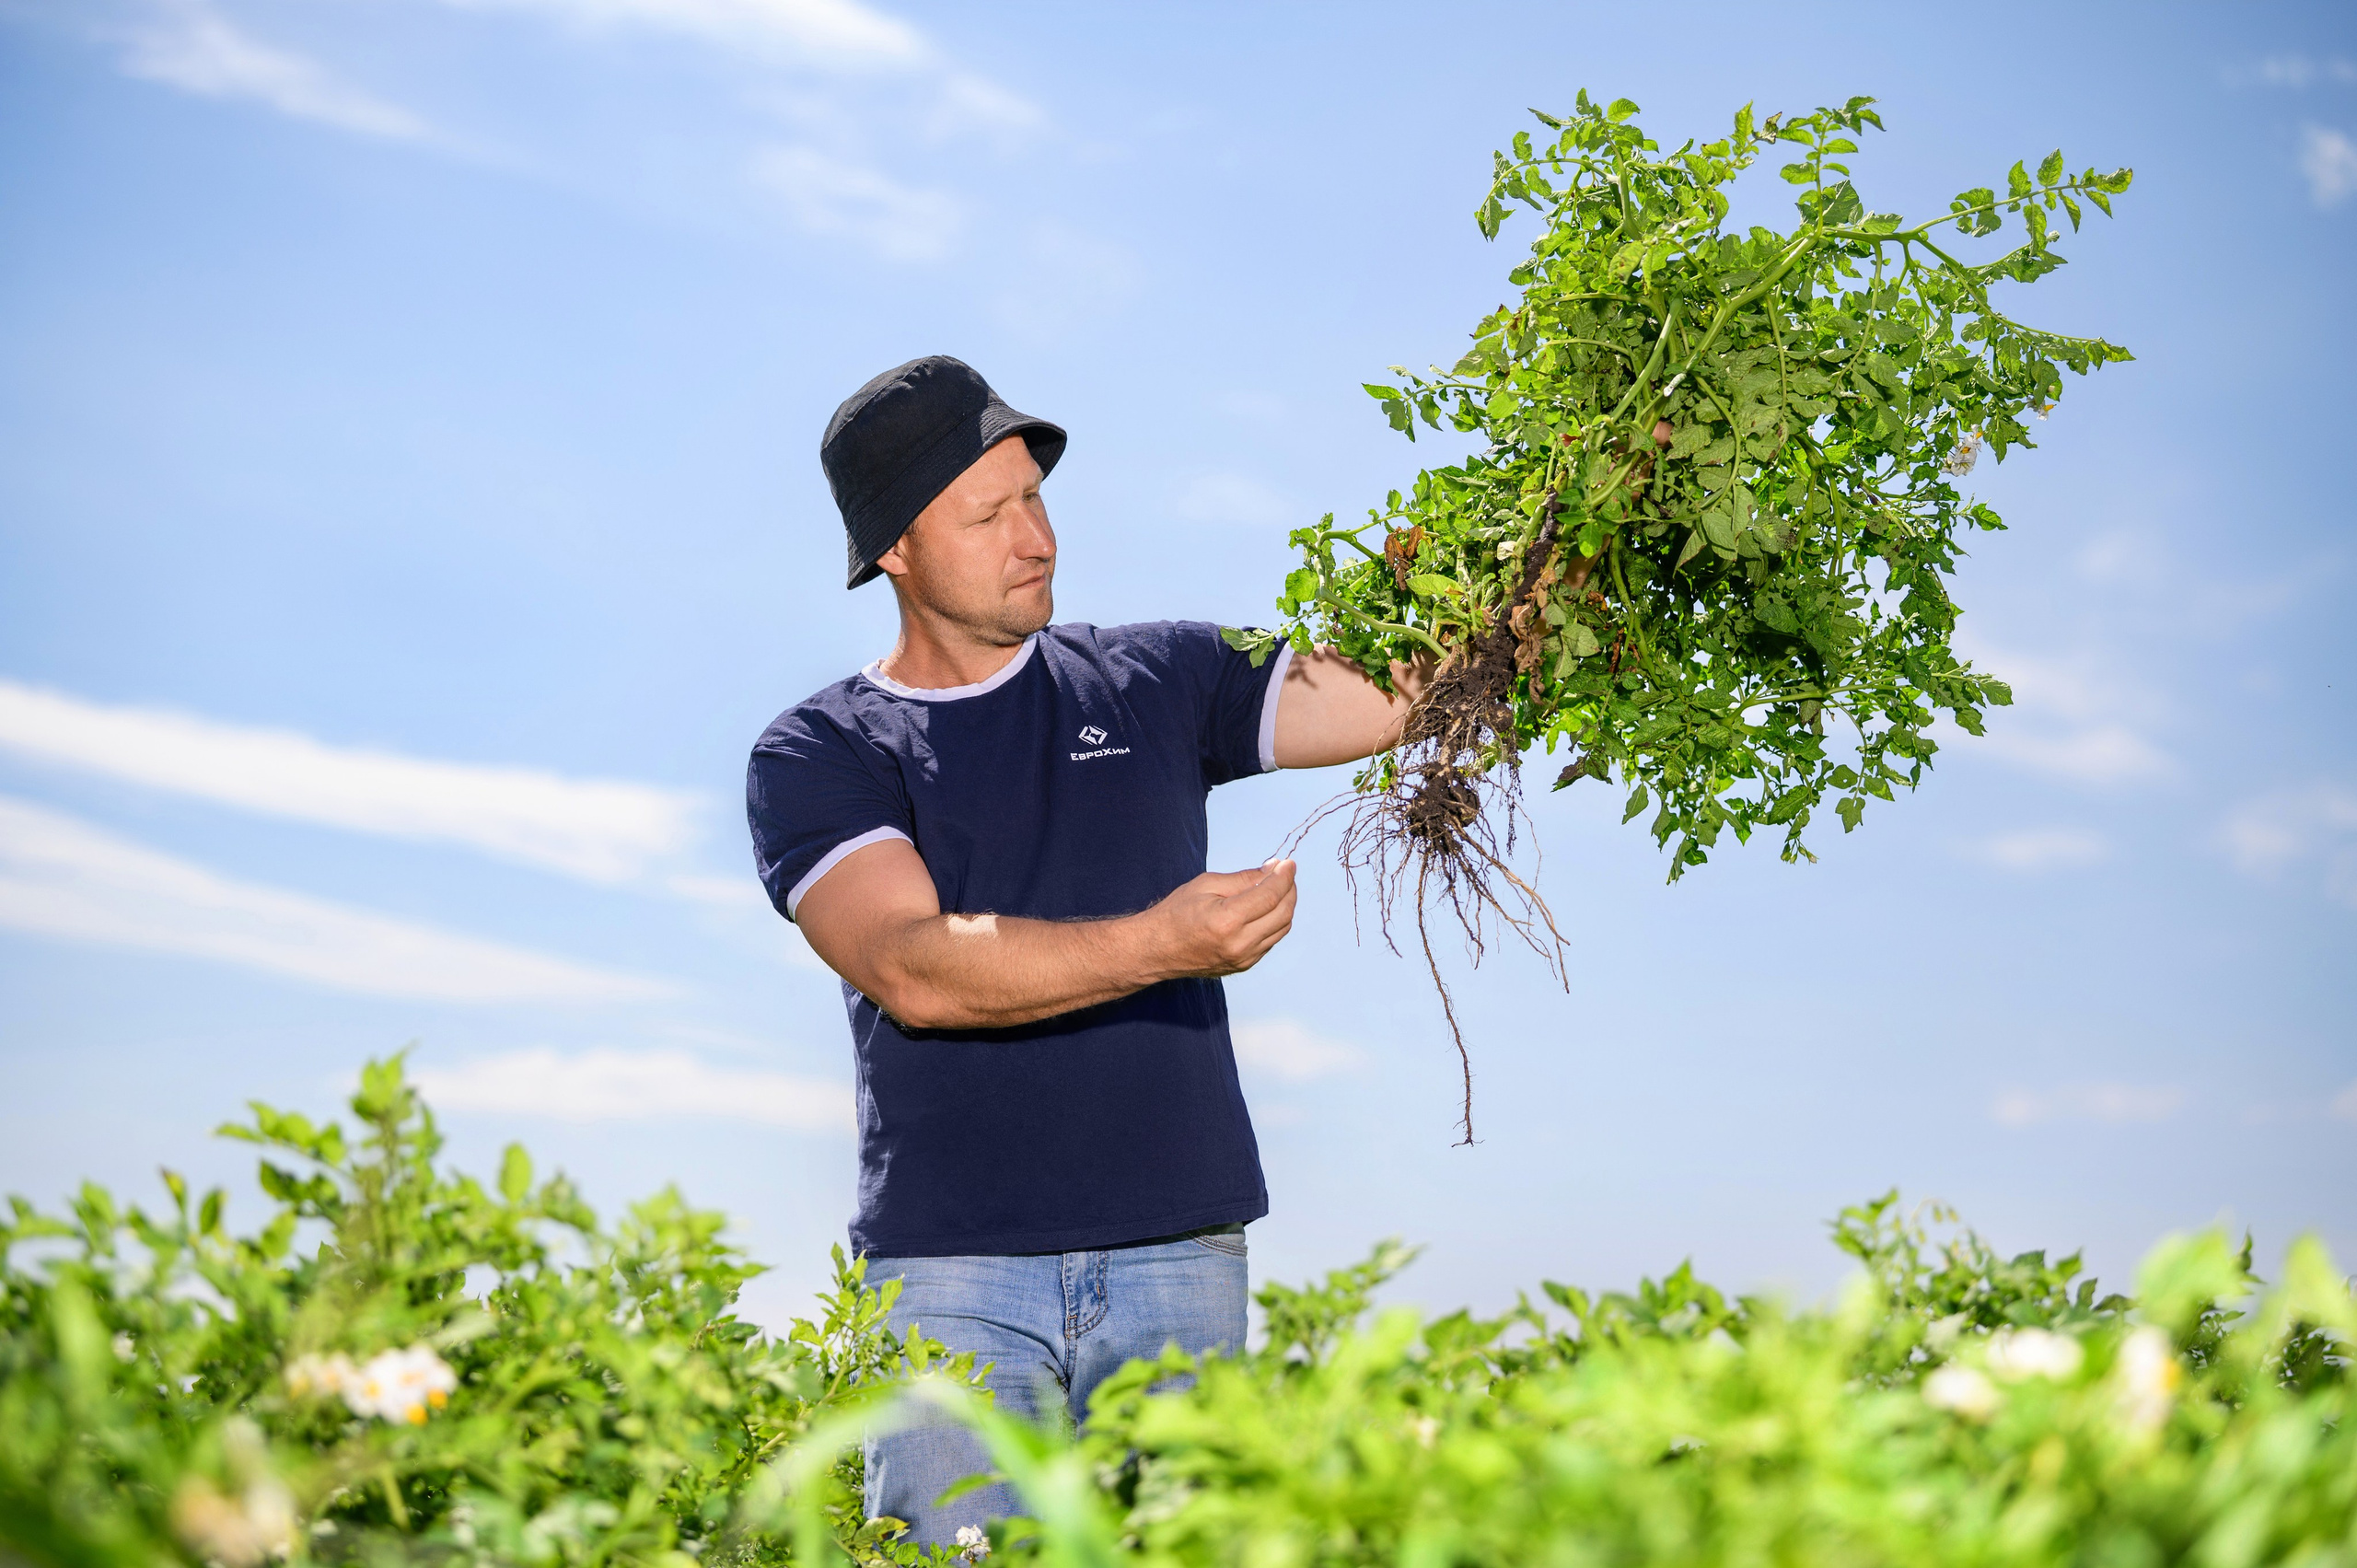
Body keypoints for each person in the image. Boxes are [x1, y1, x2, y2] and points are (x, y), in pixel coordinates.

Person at [746, 355, 1426, 1546]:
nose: (1037, 539)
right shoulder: (822, 750)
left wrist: (1575, 540)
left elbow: (1396, 696)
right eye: (988, 515)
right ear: (894, 548)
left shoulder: (1160, 678)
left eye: (1035, 498)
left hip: (1178, 1251)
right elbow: (910, 965)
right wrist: (1163, 942)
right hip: (949, 1274)